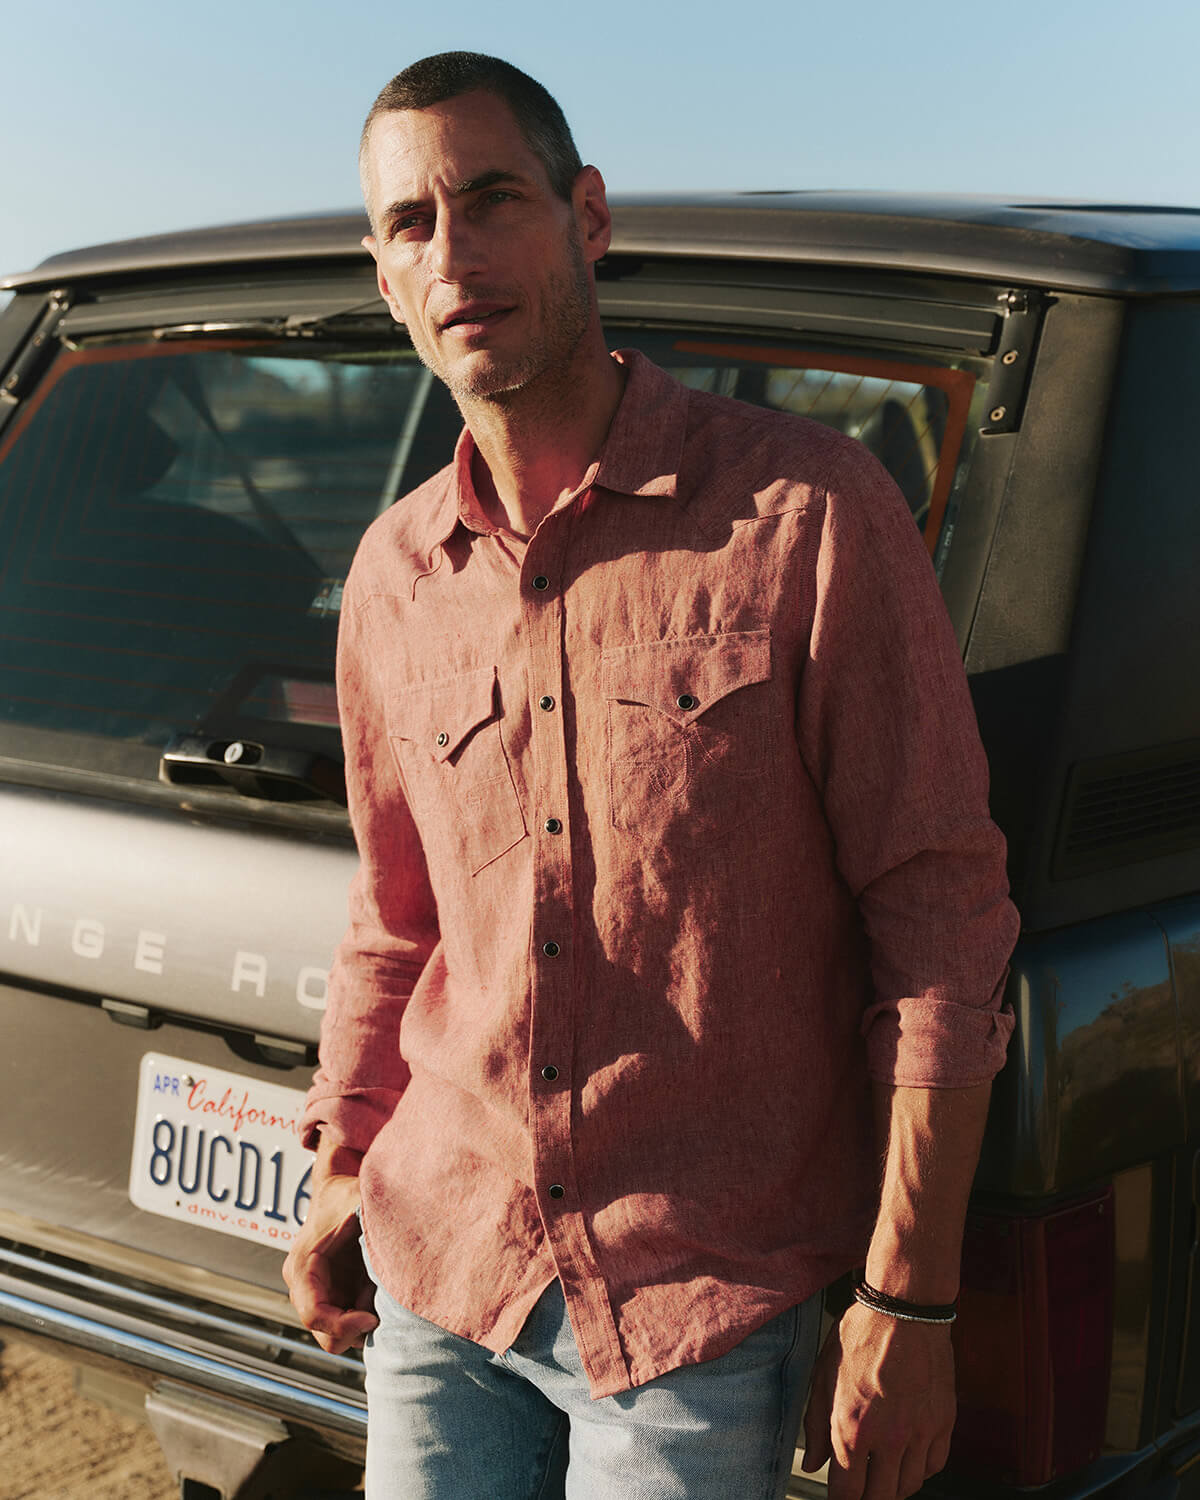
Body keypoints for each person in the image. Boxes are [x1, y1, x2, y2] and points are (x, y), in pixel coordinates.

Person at [283, 51, 1019, 1500]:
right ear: (384, 277)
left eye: (494, 198)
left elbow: (939, 914)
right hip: (443, 1270)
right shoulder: (392, 575)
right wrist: (344, 1156)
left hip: (700, 1309)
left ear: (590, 217)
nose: (454, 251)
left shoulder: (805, 514)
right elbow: (396, 916)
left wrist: (910, 1300)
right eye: (412, 222)